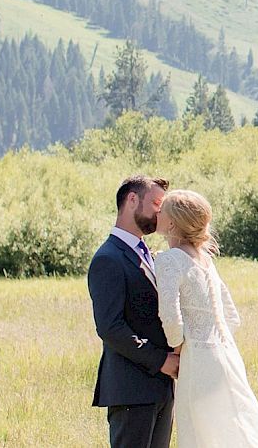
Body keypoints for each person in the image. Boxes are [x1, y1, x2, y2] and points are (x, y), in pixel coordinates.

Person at [153, 190, 258, 447]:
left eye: (162, 211)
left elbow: (170, 315)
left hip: (196, 357)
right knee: (235, 426)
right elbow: (232, 316)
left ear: (171, 222)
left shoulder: (170, 260)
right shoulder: (204, 259)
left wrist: (178, 347)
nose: (156, 213)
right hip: (226, 353)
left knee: (200, 432)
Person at [88, 175, 182, 448]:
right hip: (131, 391)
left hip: (161, 389)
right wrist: (160, 360)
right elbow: (110, 327)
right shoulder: (108, 259)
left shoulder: (149, 254)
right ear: (131, 200)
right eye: (156, 203)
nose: (161, 211)